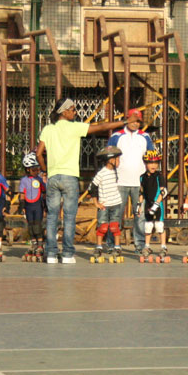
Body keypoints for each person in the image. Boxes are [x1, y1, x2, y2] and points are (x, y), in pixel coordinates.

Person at [35, 97, 124, 265]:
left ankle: (51, 254)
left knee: (52, 216)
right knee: (69, 217)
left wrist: (45, 170)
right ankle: (67, 254)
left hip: (53, 177)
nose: (75, 112)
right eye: (73, 109)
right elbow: (102, 127)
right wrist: (123, 122)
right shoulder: (75, 127)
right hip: (70, 177)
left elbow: (39, 154)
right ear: (64, 112)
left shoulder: (48, 129)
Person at [107, 108, 155, 253]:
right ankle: (111, 244)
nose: (135, 124)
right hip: (120, 181)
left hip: (139, 183)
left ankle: (139, 245)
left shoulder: (145, 137)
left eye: (138, 121)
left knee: (140, 215)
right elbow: (108, 156)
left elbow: (151, 156)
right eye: (133, 120)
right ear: (127, 119)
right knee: (116, 214)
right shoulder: (116, 136)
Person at [90, 146, 124, 261]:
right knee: (102, 227)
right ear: (110, 160)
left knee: (115, 226)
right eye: (117, 159)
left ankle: (117, 247)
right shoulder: (102, 173)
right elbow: (92, 187)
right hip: (104, 205)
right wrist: (96, 202)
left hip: (116, 203)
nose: (119, 162)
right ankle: (99, 247)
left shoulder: (116, 172)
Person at [17, 151, 47, 262]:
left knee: (37, 225)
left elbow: (44, 192)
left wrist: (45, 205)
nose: (36, 172)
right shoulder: (24, 181)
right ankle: (33, 243)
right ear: (27, 169)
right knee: (30, 225)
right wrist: (21, 205)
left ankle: (40, 244)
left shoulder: (39, 180)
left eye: (38, 169)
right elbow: (22, 193)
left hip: (38, 205)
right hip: (28, 206)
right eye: (34, 170)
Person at [139, 149, 168, 262]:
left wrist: (156, 204)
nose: (153, 165)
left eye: (156, 163)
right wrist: (139, 205)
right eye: (150, 163)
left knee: (159, 226)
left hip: (157, 204)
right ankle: (147, 246)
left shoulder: (159, 176)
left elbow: (164, 191)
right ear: (145, 163)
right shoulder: (142, 177)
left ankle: (163, 247)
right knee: (148, 226)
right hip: (147, 204)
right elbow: (141, 192)